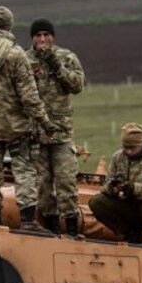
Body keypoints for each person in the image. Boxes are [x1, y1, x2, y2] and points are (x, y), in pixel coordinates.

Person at [0, 6, 58, 231]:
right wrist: (45, 122)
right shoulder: (16, 54)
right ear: (9, 25)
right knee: (24, 169)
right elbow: (29, 96)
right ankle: (27, 220)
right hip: (16, 126)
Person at [25, 18, 86, 236]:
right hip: (35, 133)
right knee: (42, 184)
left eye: (46, 35)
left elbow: (77, 85)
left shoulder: (66, 57)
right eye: (38, 35)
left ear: (53, 36)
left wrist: (55, 64)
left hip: (61, 131)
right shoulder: (23, 59)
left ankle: (71, 228)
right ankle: (50, 229)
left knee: (66, 181)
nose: (42, 39)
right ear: (32, 38)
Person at [89, 123, 142, 245]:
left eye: (133, 148)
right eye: (126, 147)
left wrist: (136, 189)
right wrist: (112, 188)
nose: (129, 151)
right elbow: (106, 185)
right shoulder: (118, 157)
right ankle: (131, 235)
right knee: (97, 202)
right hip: (129, 208)